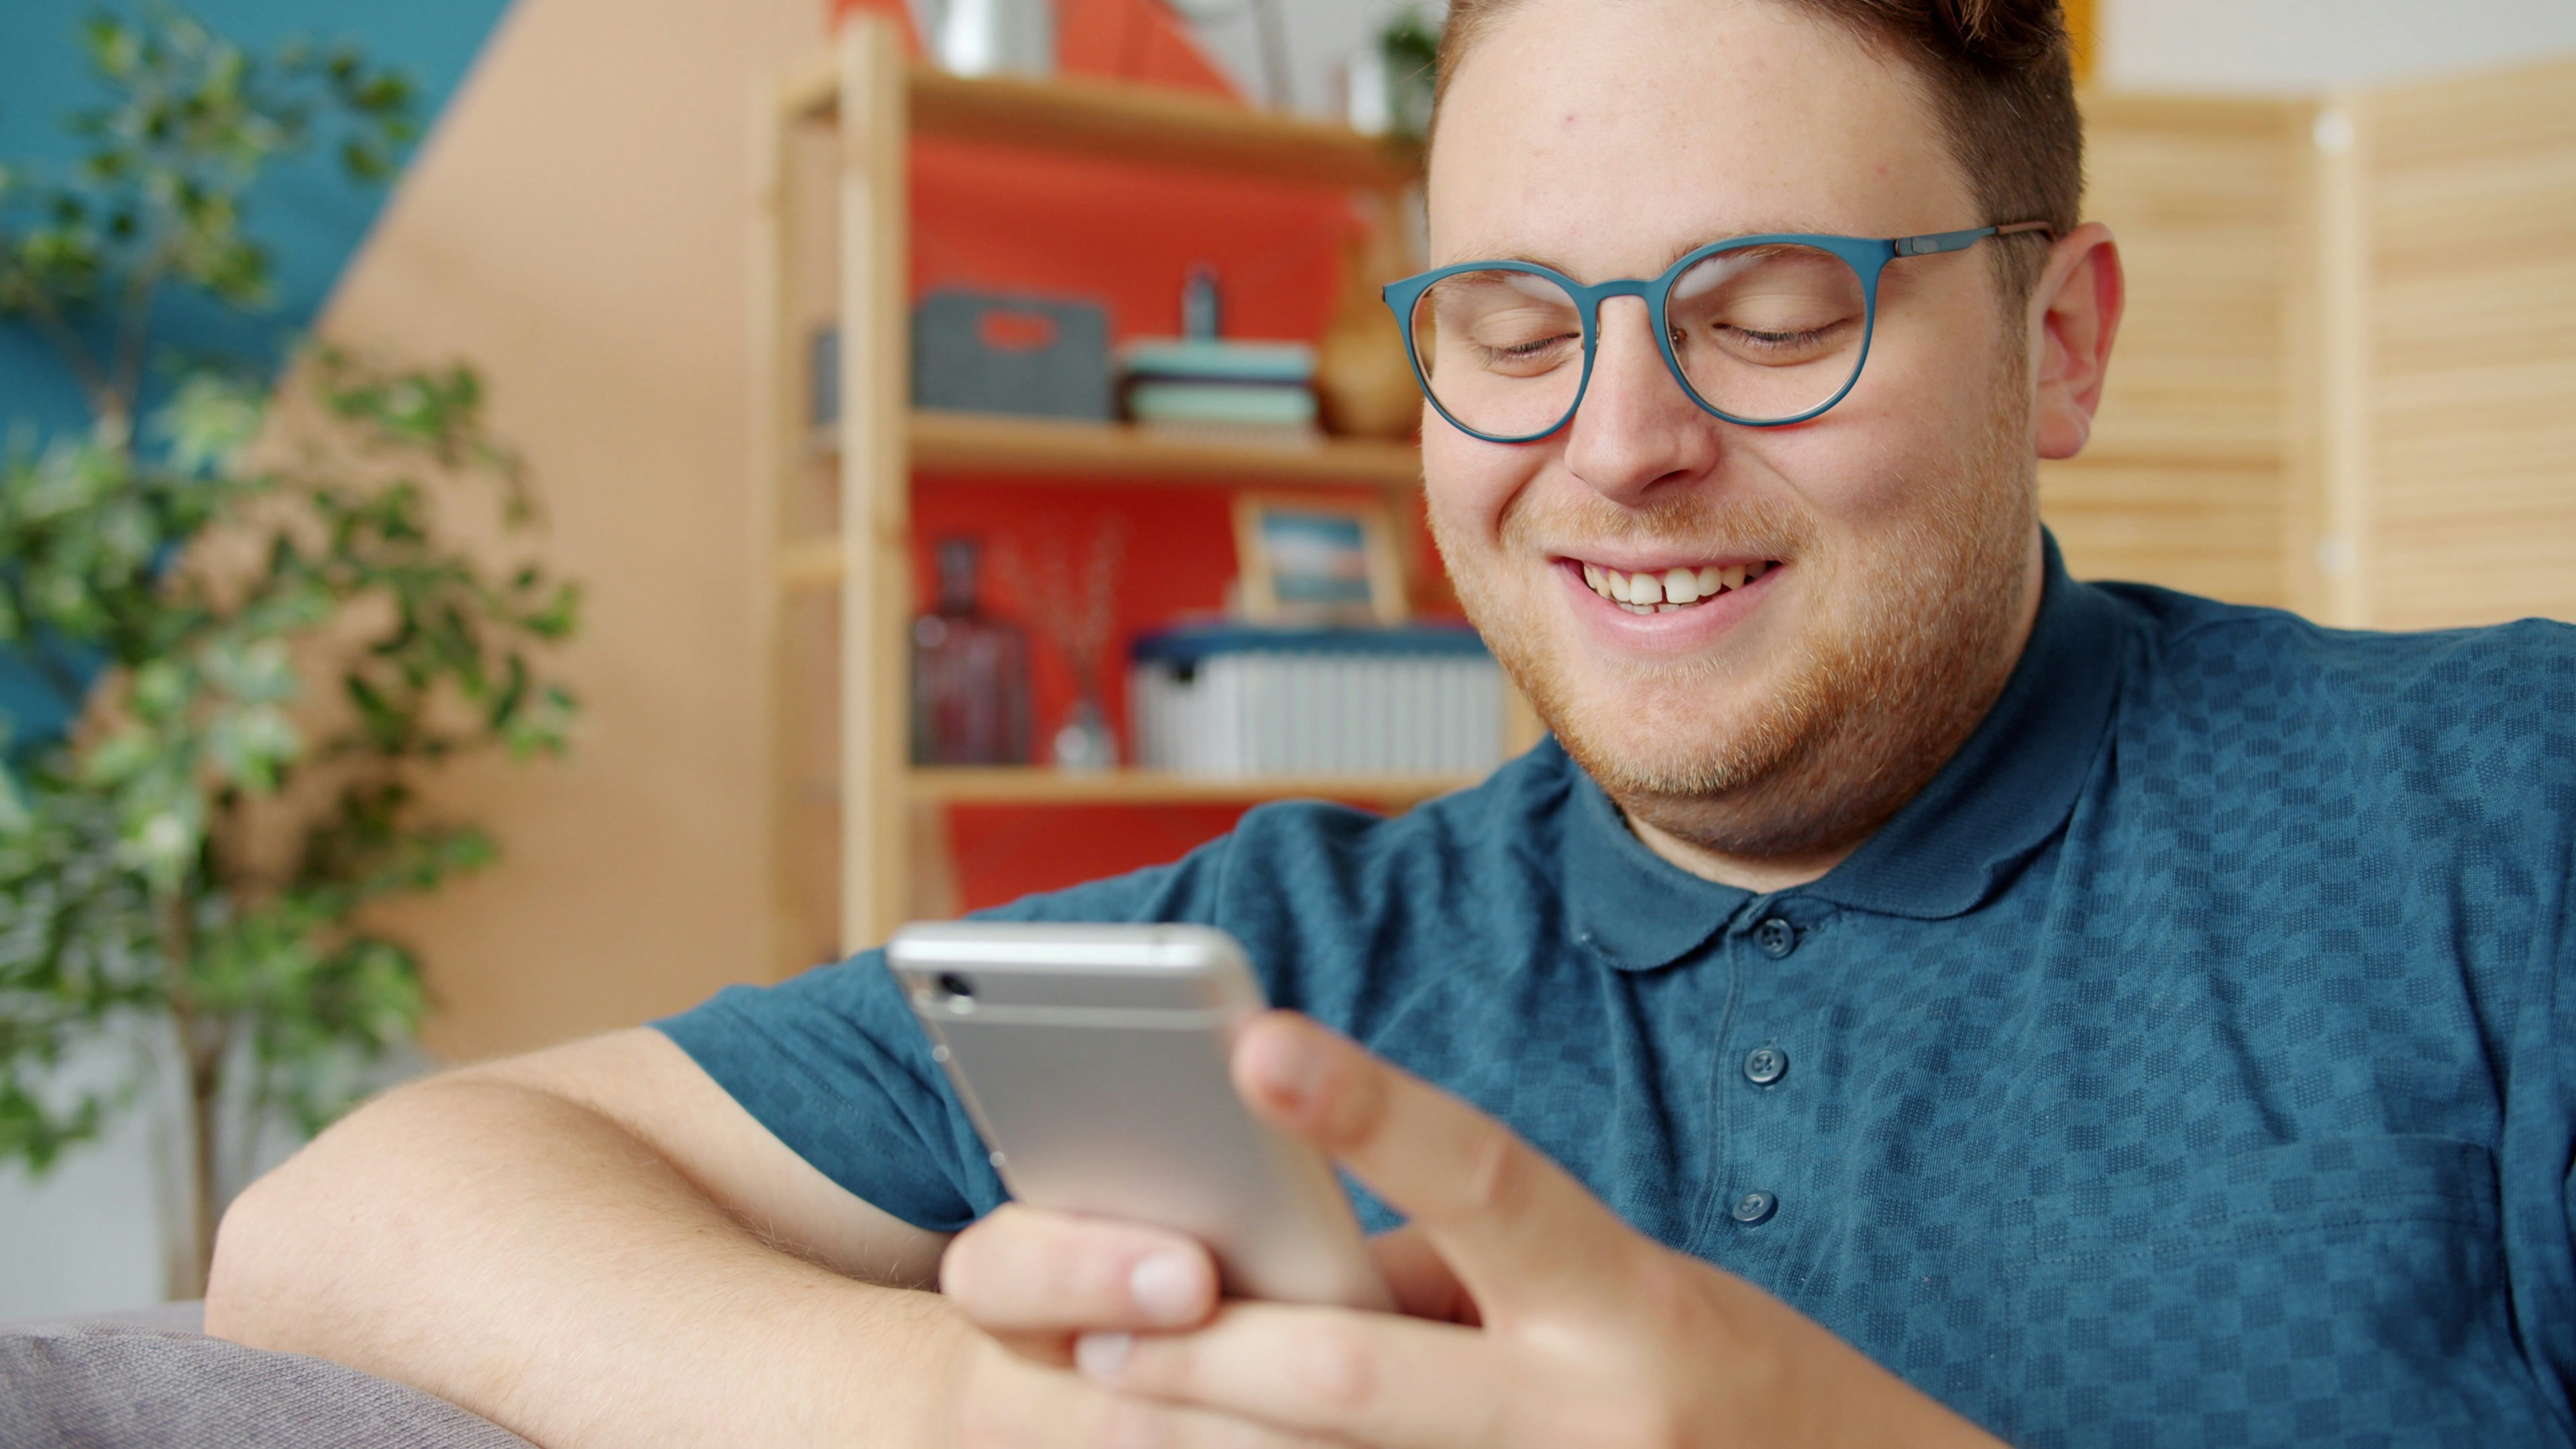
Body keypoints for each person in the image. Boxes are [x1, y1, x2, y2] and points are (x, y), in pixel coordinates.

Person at [207, 0, 2576, 1444]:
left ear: (2060, 347)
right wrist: (952, 1412)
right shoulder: (1281, 958)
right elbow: (337, 1229)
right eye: (1518, 328)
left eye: (1769, 314)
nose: (1618, 441)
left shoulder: (2503, 816)